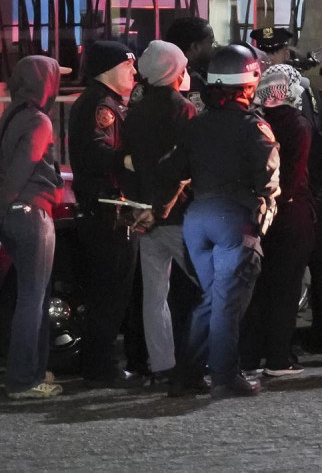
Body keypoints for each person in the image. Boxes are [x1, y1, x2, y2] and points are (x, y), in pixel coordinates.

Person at [159, 44, 279, 397]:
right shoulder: (254, 127)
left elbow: (173, 170)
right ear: (250, 81)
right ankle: (226, 376)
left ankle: (187, 374)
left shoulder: (197, 125)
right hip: (233, 219)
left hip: (198, 218)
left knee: (211, 299)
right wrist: (263, 219)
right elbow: (269, 180)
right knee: (227, 302)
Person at [0, 55, 67, 399]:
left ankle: (33, 370)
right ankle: (24, 379)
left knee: (31, 295)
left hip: (14, 217)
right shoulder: (39, 120)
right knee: (33, 298)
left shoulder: (8, 118)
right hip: (32, 214)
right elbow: (23, 168)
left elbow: (3, 169)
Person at [69, 39, 147, 387]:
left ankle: (99, 364)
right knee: (109, 293)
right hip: (106, 211)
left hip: (110, 209)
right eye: (128, 65)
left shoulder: (108, 102)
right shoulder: (101, 105)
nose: (134, 71)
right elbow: (96, 152)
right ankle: (101, 367)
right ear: (109, 68)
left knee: (113, 292)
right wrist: (128, 160)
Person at [124, 40, 200, 386]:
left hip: (143, 213)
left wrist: (142, 207)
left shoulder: (135, 111)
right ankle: (209, 359)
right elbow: (184, 166)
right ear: (173, 70)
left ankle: (163, 365)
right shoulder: (182, 110)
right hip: (177, 214)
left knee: (154, 297)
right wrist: (162, 207)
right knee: (211, 286)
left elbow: (132, 163)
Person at [241, 64, 316, 378]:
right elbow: (296, 174)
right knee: (286, 287)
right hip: (290, 211)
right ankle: (278, 356)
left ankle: (249, 354)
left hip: (257, 212)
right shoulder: (298, 123)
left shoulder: (254, 121)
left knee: (257, 287)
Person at [165, 17, 215, 111]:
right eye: (211, 42)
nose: (213, 48)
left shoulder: (154, 78)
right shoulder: (195, 83)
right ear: (195, 47)